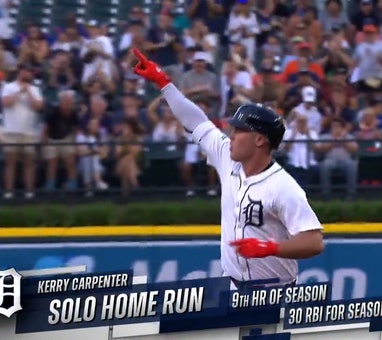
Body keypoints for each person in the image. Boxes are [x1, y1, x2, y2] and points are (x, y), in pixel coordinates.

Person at [132, 48, 324, 290]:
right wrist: (163, 83)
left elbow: (314, 241)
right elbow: (196, 121)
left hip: (277, 293)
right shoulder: (227, 157)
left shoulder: (283, 187)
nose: (231, 135)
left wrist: (271, 248)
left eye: (239, 130)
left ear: (259, 140)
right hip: (233, 288)